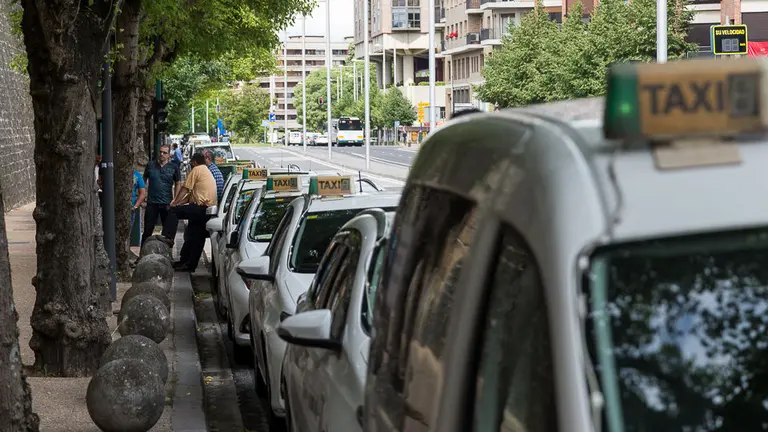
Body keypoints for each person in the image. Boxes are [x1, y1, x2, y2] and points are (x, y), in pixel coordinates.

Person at [154, 153, 217, 272]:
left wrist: (174, 203)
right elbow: (190, 196)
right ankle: (187, 264)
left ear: (194, 162)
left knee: (173, 212)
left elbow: (185, 189)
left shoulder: (197, 170)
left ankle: (168, 237)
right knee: (195, 238)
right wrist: (179, 203)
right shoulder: (206, 171)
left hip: (200, 208)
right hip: (207, 209)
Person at [142, 144, 181, 244]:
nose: (162, 154)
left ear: (169, 155)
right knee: (147, 230)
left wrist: (176, 199)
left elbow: (178, 183)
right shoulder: (150, 165)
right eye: (160, 152)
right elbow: (144, 179)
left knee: (168, 233)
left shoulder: (174, 167)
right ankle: (142, 254)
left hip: (167, 203)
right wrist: (143, 194)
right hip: (152, 202)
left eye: (165, 153)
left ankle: (168, 255)